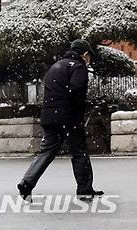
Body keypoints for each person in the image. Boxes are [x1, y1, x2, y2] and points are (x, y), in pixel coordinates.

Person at [17, 39, 104, 201]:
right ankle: (85, 189)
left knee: (46, 152)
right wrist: (80, 112)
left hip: (49, 116)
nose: (89, 60)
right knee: (79, 152)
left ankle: (27, 183)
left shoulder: (55, 67)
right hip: (69, 117)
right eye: (89, 57)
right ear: (84, 54)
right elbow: (76, 91)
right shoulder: (78, 67)